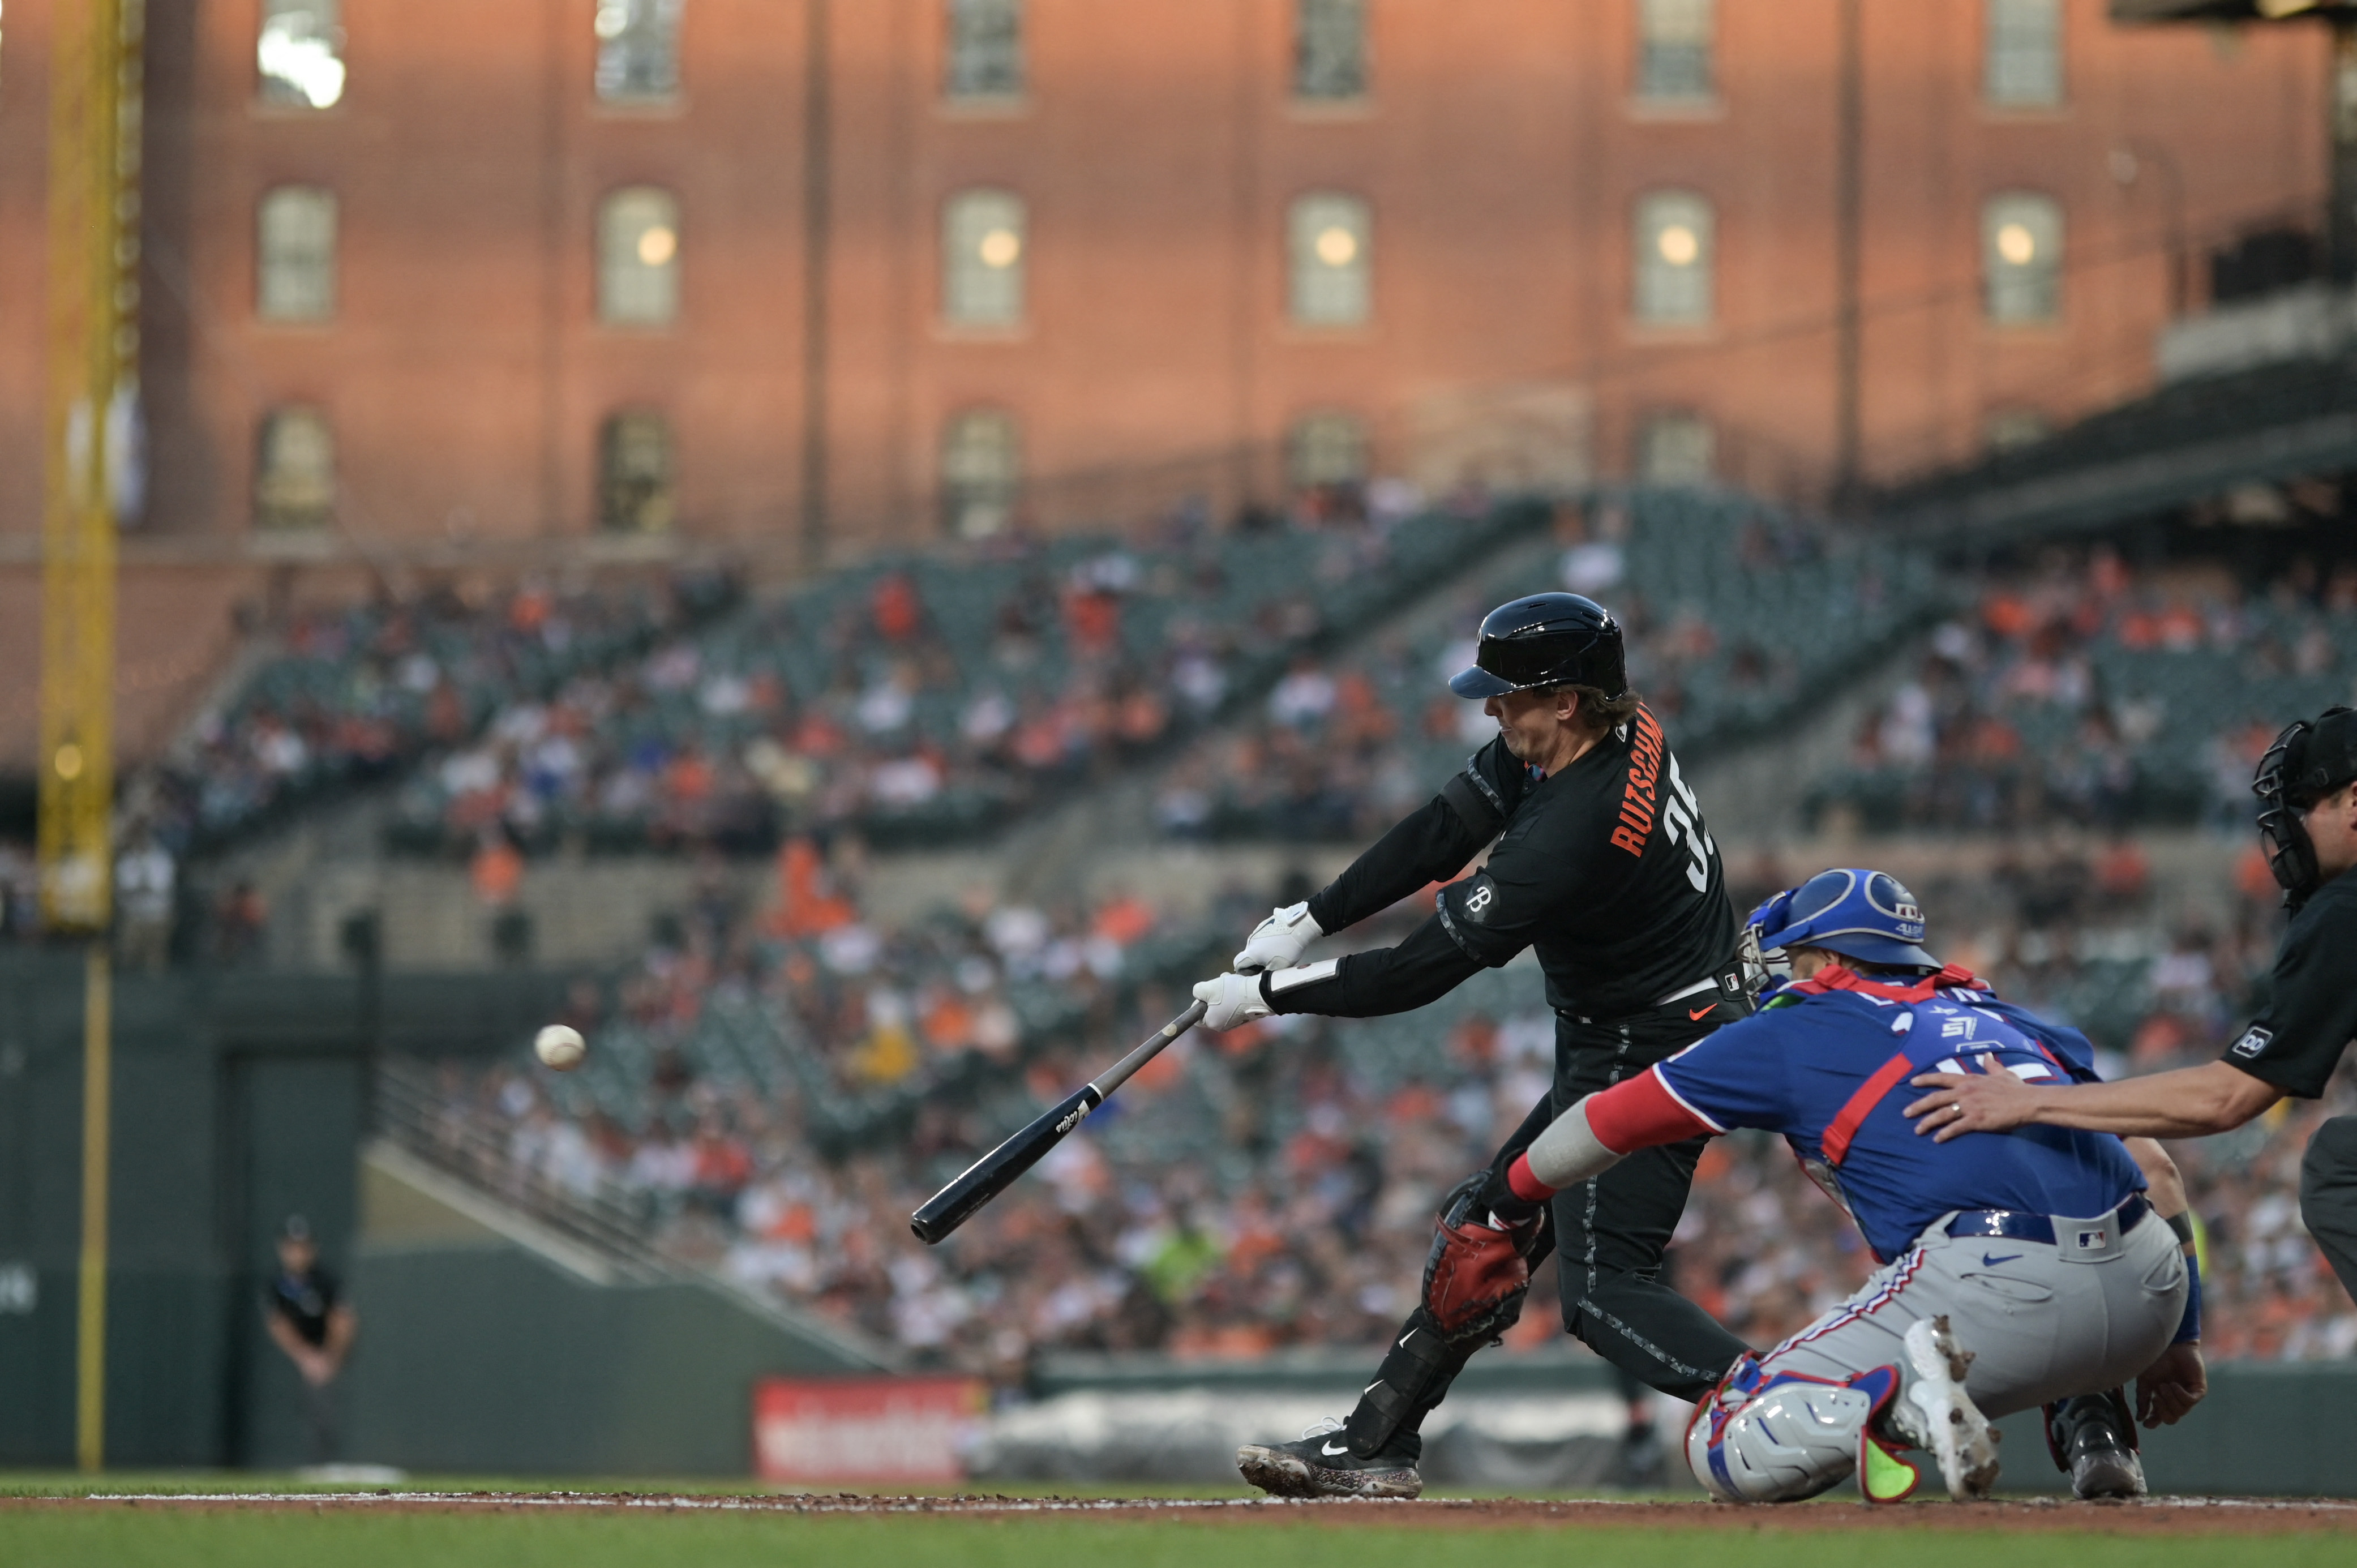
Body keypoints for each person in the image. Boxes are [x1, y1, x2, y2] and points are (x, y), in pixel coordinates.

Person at [1193, 593, 1756, 1499]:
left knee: (1607, 1291)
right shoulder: (1596, 728)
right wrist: (1312, 916)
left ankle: (1807, 1401)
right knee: (1486, 1230)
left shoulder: (1575, 824)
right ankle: (1379, 1439)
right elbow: (1445, 826)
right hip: (1636, 1026)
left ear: (1565, 698)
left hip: (1649, 1042)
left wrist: (1265, 995)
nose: (1493, 711)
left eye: (1508, 696)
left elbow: (1419, 973)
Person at [1497, 868, 2202, 1502]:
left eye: (1793, 957)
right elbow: (2160, 1175)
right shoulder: (2010, 1018)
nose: (1779, 975)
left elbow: (1608, 1119)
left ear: (1830, 959)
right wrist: (2182, 1335)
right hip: (2151, 1289)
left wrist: (1510, 1201)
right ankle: (2097, 1431)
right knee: (2052, 1207)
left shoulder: (1803, 1024)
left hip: (2003, 1286)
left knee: (1722, 1435)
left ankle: (1899, 1406)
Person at [1910, 706, 2357, 1304]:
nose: (2289, 828)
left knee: (2341, 1165)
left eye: (2307, 806)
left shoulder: (2346, 909)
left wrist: (2032, 1100)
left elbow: (2227, 1098)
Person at [263, 1214, 358, 1465]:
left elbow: (343, 1321)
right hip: (303, 1354)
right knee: (308, 1410)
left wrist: (331, 1357)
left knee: (327, 1410)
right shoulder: (277, 1282)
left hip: (332, 1354)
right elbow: (278, 1323)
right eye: (292, 1247)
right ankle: (313, 1463)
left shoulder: (325, 1280)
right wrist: (305, 1356)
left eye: (303, 1247)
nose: (297, 1254)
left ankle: (329, 1462)